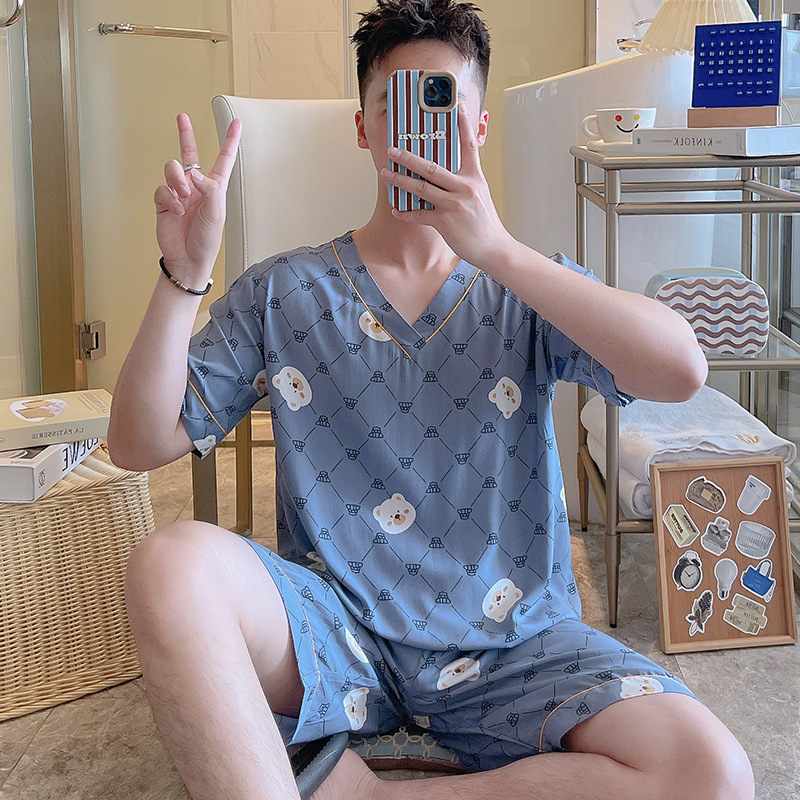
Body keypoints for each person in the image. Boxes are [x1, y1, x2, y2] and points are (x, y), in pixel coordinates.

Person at [108, 2, 754, 799]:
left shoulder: (523, 288)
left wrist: (498, 249)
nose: (418, 128)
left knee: (714, 774)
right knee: (170, 563)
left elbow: (682, 370)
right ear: (364, 129)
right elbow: (138, 443)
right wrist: (182, 276)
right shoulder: (285, 290)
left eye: (442, 103)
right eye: (396, 104)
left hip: (515, 643)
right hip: (334, 633)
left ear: (477, 128)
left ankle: (364, 792)